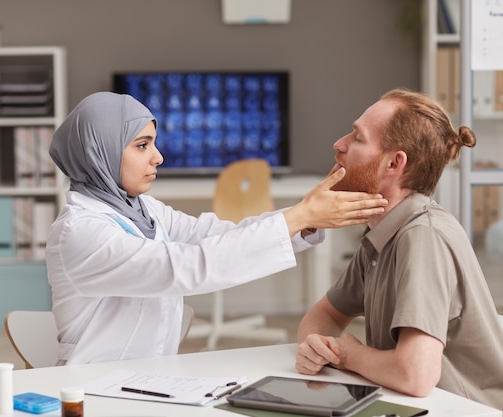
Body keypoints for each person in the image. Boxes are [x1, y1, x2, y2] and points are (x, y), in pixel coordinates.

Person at [46, 91, 387, 365]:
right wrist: (298, 217)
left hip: (148, 378)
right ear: (98, 151)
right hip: (93, 391)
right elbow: (186, 266)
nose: (158, 157)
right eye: (142, 145)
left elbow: (216, 235)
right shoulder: (80, 232)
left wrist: (305, 217)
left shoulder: (143, 209)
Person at [295, 88, 503, 411]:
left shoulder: (423, 238)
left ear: (394, 163)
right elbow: (324, 315)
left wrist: (348, 354)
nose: (339, 144)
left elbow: (415, 375)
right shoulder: (382, 233)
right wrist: (318, 346)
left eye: (358, 138)